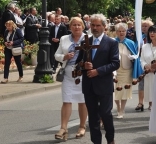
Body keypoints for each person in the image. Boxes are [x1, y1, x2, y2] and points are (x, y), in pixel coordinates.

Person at [75, 14, 120, 144]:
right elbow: (78, 62)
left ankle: (110, 139)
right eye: (92, 25)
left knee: (106, 114)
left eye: (98, 25)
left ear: (104, 27)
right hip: (89, 85)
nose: (95, 28)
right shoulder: (85, 42)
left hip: (104, 85)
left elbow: (115, 63)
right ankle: (96, 142)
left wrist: (97, 71)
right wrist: (83, 65)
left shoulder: (111, 43)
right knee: (93, 117)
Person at [53, 17, 88, 141]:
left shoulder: (87, 39)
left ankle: (82, 126)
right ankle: (63, 128)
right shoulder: (64, 39)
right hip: (68, 73)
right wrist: (64, 56)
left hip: (83, 73)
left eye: (79, 25)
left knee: (82, 101)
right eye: (74, 25)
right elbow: (56, 55)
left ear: (83, 27)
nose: (76, 27)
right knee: (66, 100)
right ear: (70, 27)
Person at [114, 23, 142, 118]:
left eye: (123, 31)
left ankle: (122, 110)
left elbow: (135, 56)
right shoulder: (113, 42)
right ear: (116, 32)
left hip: (127, 70)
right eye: (119, 31)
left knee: (125, 90)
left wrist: (133, 58)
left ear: (126, 32)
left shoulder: (130, 42)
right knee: (116, 90)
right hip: (115, 70)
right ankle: (118, 107)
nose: (121, 33)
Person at [140, 25, 156, 111]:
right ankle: (151, 107)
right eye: (150, 32)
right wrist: (146, 66)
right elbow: (142, 60)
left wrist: (155, 67)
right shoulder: (145, 46)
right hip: (149, 74)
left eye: (154, 32)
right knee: (150, 94)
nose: (152, 33)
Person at [135, 19, 153, 112]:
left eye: (146, 26)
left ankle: (151, 103)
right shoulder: (139, 37)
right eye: (143, 26)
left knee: (151, 83)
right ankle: (140, 102)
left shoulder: (153, 37)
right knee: (141, 83)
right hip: (141, 62)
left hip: (151, 63)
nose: (144, 28)